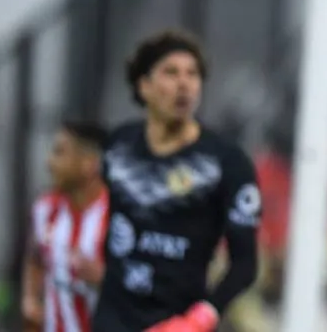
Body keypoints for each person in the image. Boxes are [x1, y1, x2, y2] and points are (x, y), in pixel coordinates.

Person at [92, 30, 260, 332]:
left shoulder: (226, 162)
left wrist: (200, 318)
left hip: (177, 322)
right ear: (144, 85)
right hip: (112, 320)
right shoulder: (117, 148)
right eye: (171, 73)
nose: (184, 84)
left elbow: (245, 264)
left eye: (193, 75)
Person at [21, 120, 110, 332]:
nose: (50, 162)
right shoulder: (46, 209)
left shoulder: (117, 215)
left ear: (89, 163)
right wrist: (30, 299)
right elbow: (35, 256)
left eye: (60, 153)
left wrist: (103, 279)